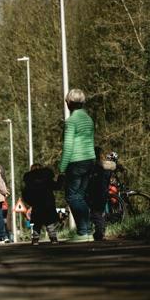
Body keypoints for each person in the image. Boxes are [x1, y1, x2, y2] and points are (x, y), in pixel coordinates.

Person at [60, 88, 97, 242]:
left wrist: (62, 168)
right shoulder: (88, 119)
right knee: (80, 196)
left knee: (72, 196)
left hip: (76, 162)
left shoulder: (71, 121)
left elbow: (68, 146)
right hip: (90, 160)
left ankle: (83, 231)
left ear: (69, 103)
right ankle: (87, 232)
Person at [23, 162, 59, 245]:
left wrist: (31, 203)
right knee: (49, 221)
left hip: (37, 204)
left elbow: (25, 194)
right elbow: (56, 186)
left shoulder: (30, 181)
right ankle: (53, 238)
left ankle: (35, 239)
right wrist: (61, 178)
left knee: (37, 223)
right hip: (48, 203)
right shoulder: (47, 178)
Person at [88, 147, 113, 241]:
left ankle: (99, 233)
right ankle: (100, 232)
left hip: (95, 192)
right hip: (103, 192)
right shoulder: (107, 166)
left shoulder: (93, 166)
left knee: (95, 213)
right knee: (99, 212)